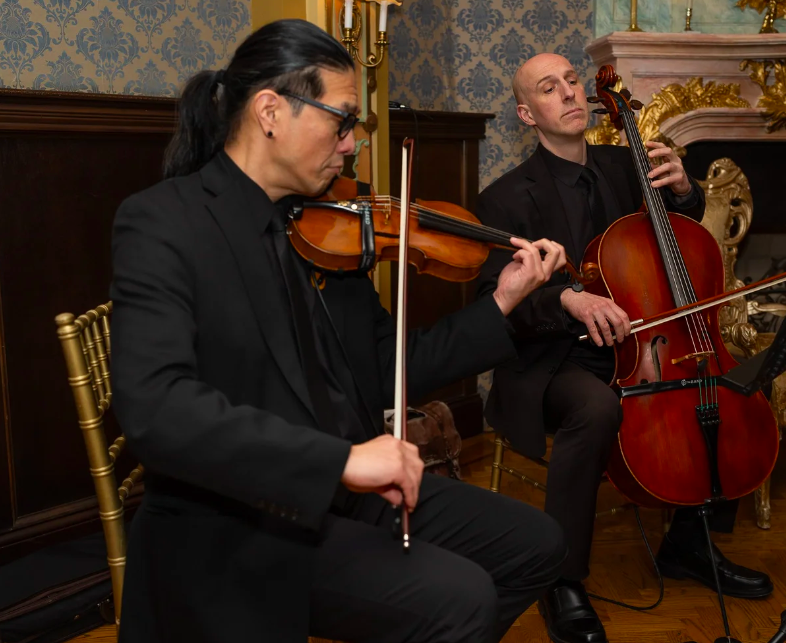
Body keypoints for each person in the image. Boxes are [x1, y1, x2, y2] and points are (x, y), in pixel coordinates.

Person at [110, 20, 572, 643]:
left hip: (344, 493)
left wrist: (505, 300)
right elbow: (158, 410)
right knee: (461, 599)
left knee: (537, 544)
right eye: (342, 121)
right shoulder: (163, 222)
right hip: (238, 521)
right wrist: (341, 462)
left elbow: (386, 366)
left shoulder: (321, 224)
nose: (352, 144)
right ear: (271, 112)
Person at [475, 53, 774, 643]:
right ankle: (560, 579)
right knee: (597, 407)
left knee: (723, 388)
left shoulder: (626, 165)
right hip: (557, 357)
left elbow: (677, 233)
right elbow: (495, 302)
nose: (569, 93)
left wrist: (685, 191)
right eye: (548, 88)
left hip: (645, 343)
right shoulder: (505, 198)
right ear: (526, 114)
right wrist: (567, 300)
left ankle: (689, 543)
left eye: (571, 81)